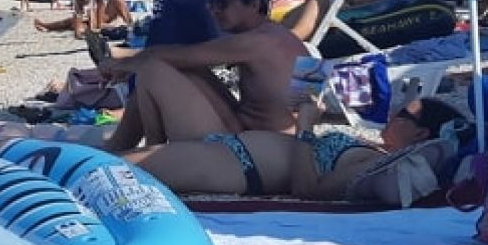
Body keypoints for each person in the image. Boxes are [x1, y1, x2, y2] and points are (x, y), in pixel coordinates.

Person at [99, 0, 306, 151]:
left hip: (264, 147)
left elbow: (179, 54)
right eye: (211, 3)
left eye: (222, 3)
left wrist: (125, 65)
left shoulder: (256, 41)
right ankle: (133, 147)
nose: (214, 11)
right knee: (175, 66)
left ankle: (144, 150)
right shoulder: (275, 35)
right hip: (262, 135)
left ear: (254, 4)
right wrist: (130, 63)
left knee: (154, 68)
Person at [121, 96, 460, 198]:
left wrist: (306, 127)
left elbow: (308, 188)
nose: (393, 113)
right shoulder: (370, 148)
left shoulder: (374, 162)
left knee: (112, 168)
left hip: (237, 165)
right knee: (118, 164)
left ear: (420, 135)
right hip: (231, 152)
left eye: (403, 113)